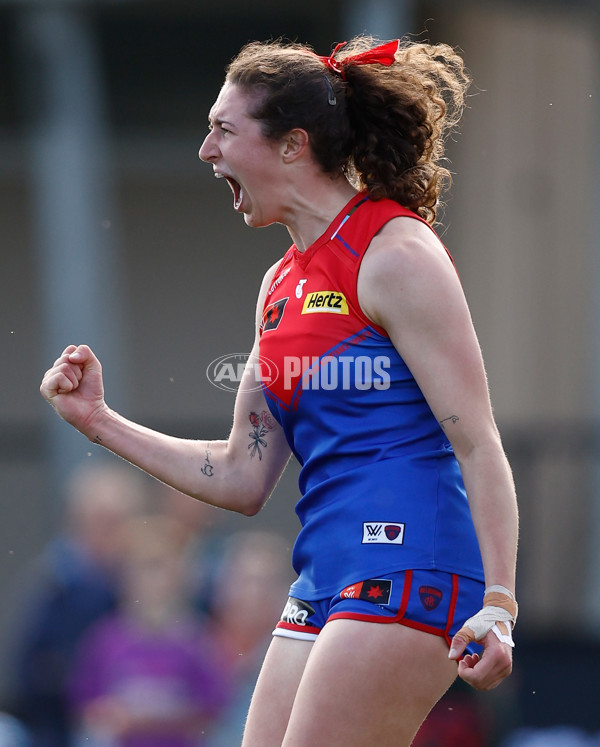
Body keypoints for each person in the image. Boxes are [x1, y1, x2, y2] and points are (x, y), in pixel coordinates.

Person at [40, 34, 519, 747]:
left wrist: (500, 603)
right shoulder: (279, 286)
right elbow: (241, 473)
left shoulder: (395, 253)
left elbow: (478, 441)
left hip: (409, 564)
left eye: (223, 130)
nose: (206, 151)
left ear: (293, 144)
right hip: (322, 576)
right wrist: (98, 421)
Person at [9, 463, 147, 747]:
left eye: (117, 522)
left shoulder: (142, 585)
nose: (109, 533)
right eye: (100, 521)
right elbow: (27, 676)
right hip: (55, 725)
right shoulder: (55, 584)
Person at [68, 515, 229, 747]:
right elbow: (87, 712)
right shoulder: (104, 641)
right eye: (144, 567)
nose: (154, 579)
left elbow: (214, 713)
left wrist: (159, 719)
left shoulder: (199, 640)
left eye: (163, 566)